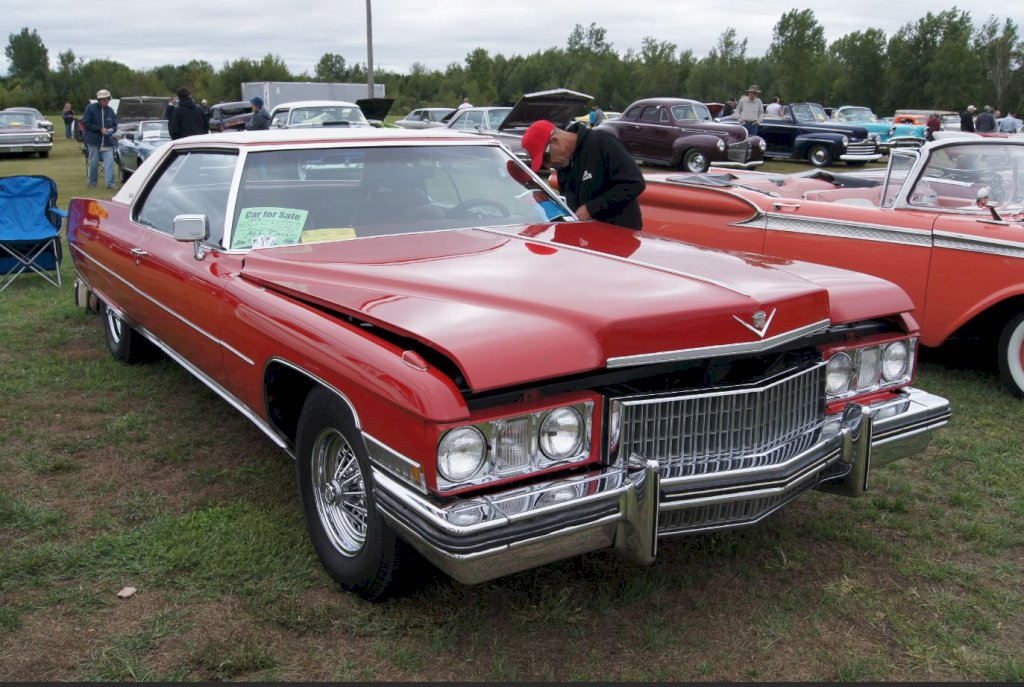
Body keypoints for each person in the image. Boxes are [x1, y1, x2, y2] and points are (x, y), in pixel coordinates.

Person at [521, 119, 646, 230]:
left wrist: (591, 209)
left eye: (546, 158)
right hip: (588, 237)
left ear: (555, 141)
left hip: (619, 235)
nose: (548, 166)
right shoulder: (564, 164)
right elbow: (572, 202)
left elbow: (634, 183)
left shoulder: (601, 141)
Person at [82, 89, 118, 189]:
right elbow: (86, 123)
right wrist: (99, 129)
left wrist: (111, 130)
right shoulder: (90, 108)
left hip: (107, 142)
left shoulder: (110, 111)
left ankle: (110, 184)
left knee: (109, 162)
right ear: (99, 99)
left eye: (107, 99)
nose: (106, 101)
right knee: (93, 162)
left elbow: (115, 125)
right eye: (103, 99)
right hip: (94, 141)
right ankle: (92, 183)